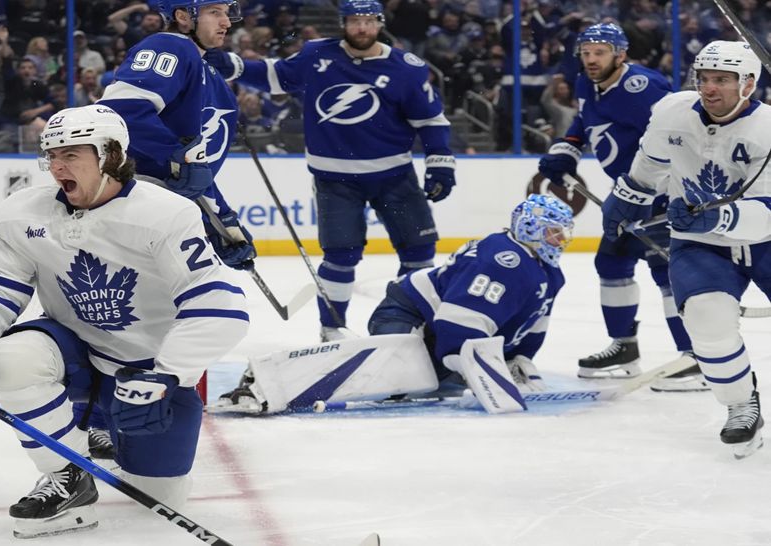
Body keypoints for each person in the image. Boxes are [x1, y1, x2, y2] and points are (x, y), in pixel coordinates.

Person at [0, 105, 249, 537]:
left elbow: (220, 307)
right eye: (51, 155)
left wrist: (166, 374)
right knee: (13, 358)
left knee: (159, 496)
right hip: (75, 359)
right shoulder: (23, 214)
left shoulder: (167, 214)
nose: (56, 167)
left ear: (110, 155)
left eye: (71, 155)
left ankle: (104, 434)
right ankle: (69, 474)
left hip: (143, 376)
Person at [205, 0, 459, 342]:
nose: (362, 28)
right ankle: (332, 329)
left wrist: (440, 161)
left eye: (369, 21)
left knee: (419, 251)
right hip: (334, 178)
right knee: (341, 255)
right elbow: (276, 76)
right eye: (354, 21)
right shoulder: (316, 56)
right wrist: (233, 64)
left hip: (395, 176)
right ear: (343, 22)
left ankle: (412, 323)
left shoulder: (406, 68)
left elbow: (430, 120)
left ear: (380, 23)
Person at [216, 194, 573, 415]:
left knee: (431, 384)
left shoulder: (549, 272)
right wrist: (470, 366)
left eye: (563, 232)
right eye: (553, 232)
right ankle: (269, 383)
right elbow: (457, 324)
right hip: (407, 312)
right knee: (390, 374)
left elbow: (532, 325)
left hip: (438, 331)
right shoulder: (502, 259)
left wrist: (519, 359)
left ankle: (430, 370)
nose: (561, 240)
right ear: (529, 227)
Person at [603, 40, 771, 459]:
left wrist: (717, 218)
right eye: (704, 78)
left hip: (765, 241)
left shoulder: (766, 129)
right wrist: (627, 197)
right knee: (707, 323)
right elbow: (650, 166)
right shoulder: (672, 113)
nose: (710, 89)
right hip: (701, 245)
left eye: (722, 80)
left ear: (748, 84)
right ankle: (740, 405)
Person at [536, 23, 700, 391]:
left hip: (661, 194)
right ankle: (624, 348)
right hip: (626, 196)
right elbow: (583, 120)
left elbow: (677, 137)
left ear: (620, 55)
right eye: (587, 52)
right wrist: (567, 149)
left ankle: (697, 358)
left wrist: (654, 189)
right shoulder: (585, 82)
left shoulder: (643, 87)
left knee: (669, 274)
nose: (592, 59)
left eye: (600, 52)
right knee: (611, 263)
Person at [98, 0, 256, 271]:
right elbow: (122, 111)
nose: (226, 23)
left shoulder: (210, 73)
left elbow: (194, 167)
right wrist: (174, 156)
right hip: (136, 205)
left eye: (227, 14)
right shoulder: (169, 46)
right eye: (215, 13)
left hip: (164, 214)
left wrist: (221, 221)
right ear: (183, 17)